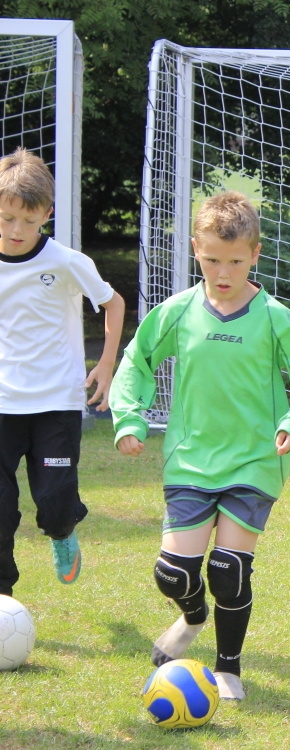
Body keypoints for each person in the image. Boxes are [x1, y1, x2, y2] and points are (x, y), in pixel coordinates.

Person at [110, 192, 290, 701]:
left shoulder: (275, 317)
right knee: (173, 575)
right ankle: (191, 617)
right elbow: (136, 362)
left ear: (255, 254)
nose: (223, 271)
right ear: (195, 250)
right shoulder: (178, 312)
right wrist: (129, 419)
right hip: (190, 459)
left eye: (235, 261)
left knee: (229, 570)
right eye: (211, 259)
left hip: (255, 461)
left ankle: (228, 668)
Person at [0, 148, 124, 595]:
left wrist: (107, 363)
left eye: (29, 222)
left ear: (46, 215)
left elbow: (113, 303)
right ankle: (2, 602)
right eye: (8, 218)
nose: (17, 231)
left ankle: (62, 533)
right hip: (2, 405)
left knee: (53, 506)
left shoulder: (67, 262)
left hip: (56, 403)